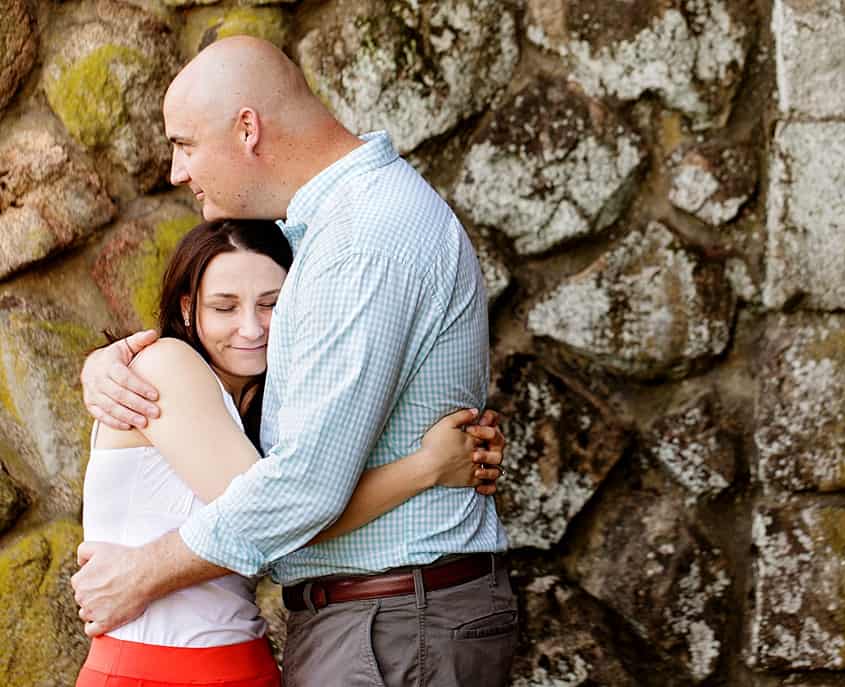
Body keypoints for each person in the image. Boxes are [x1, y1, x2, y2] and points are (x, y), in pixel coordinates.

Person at [73, 35, 516, 687]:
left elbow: (304, 485)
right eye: (223, 304)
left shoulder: (361, 242)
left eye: (185, 144)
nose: (176, 171)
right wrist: (117, 360)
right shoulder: (339, 233)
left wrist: (144, 571)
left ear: (247, 128)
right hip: (387, 623)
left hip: (392, 626)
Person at [77, 219, 502, 687]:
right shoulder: (166, 367)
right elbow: (280, 516)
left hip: (246, 663)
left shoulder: (265, 408)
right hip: (155, 669)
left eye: (272, 304)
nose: (250, 328)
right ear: (187, 307)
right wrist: (429, 466)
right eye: (224, 306)